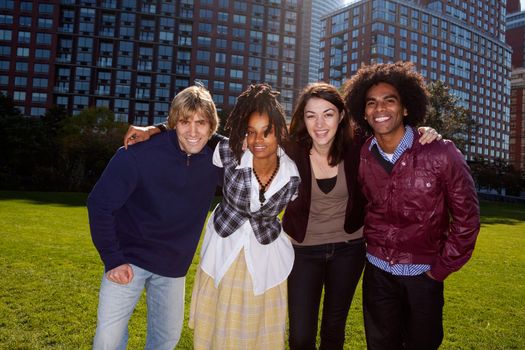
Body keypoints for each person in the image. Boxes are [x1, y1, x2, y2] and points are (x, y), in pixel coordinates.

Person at [343, 61, 480, 350]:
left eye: (388, 101)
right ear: (363, 112)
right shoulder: (361, 155)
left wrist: (438, 271)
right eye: (371, 103)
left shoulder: (441, 153)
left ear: (405, 108)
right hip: (378, 274)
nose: (379, 109)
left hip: (424, 277)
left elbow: (467, 221)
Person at [87, 85, 223, 350]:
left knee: (165, 341)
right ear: (174, 123)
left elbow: (247, 148)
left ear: (211, 126)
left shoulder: (217, 159)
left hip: (173, 266)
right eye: (185, 122)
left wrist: (155, 127)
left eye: (201, 123)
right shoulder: (137, 154)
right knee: (108, 340)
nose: (193, 132)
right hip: (128, 259)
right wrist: (113, 259)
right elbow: (99, 204)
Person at [188, 83, 300, 349]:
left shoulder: (293, 173)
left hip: (265, 256)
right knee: (218, 327)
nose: (257, 140)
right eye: (251, 132)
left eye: (266, 132)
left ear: (279, 132)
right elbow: (190, 134)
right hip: (224, 247)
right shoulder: (228, 152)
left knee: (257, 331)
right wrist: (154, 129)